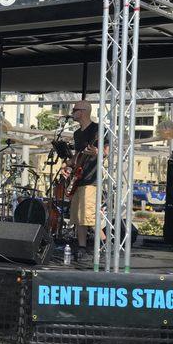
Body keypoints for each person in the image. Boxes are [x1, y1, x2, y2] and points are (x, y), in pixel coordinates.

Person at [62, 100, 109, 259]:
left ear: (82, 112)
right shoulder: (77, 134)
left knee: (89, 215)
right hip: (79, 178)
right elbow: (77, 155)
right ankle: (82, 247)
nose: (73, 112)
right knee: (78, 215)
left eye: (74, 110)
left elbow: (107, 151)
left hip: (92, 178)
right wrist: (69, 165)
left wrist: (97, 152)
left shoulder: (98, 129)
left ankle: (105, 244)